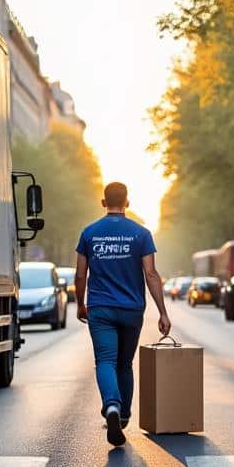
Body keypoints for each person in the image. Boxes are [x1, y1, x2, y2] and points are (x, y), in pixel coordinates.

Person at [74, 182, 171, 446]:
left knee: (105, 360)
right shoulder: (141, 234)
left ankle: (112, 406)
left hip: (101, 309)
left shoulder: (89, 233)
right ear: (127, 202)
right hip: (131, 310)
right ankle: (124, 415)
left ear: (103, 202)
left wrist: (80, 303)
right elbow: (150, 274)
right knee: (124, 364)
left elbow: (81, 274)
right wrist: (162, 312)